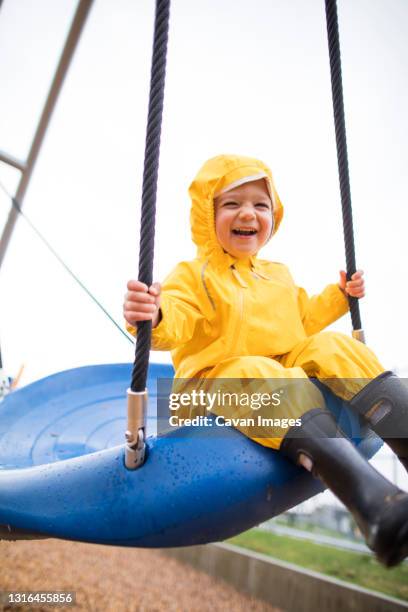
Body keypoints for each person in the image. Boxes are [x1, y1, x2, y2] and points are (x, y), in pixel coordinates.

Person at [124, 154, 408, 567]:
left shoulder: (277, 274)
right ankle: (375, 503)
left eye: (260, 205)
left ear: (273, 215)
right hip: (210, 386)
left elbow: (303, 317)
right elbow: (176, 318)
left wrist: (340, 296)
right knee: (260, 373)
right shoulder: (194, 273)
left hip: (279, 371)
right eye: (231, 204)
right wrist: (155, 313)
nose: (248, 214)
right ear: (208, 215)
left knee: (334, 347)